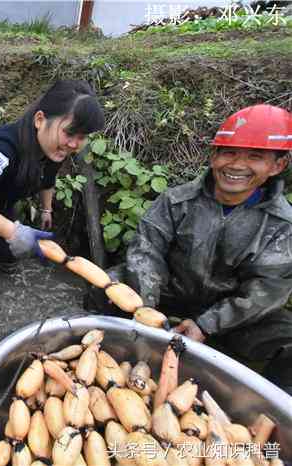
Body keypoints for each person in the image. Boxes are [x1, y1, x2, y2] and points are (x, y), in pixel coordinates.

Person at [88, 104, 292, 394]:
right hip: (167, 297)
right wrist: (145, 307)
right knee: (104, 287)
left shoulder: (282, 225)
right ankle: (112, 364)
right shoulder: (176, 201)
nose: (236, 165)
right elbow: (147, 250)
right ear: (213, 157)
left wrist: (207, 324)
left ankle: (262, 408)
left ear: (277, 166)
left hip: (231, 317)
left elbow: (265, 291)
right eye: (229, 152)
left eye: (254, 157)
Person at [0, 80, 105, 276]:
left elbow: (48, 179)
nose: (75, 144)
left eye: (82, 136)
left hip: (0, 201)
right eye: (69, 133)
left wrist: (46, 210)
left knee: (9, 259)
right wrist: (13, 231)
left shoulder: (54, 149)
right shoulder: (2, 148)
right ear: (40, 119)